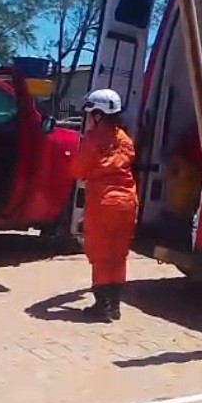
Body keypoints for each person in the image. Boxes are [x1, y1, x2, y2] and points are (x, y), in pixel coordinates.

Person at [71, 88, 138, 322]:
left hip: (103, 203)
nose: (88, 119)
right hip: (127, 203)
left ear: (98, 115)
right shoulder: (125, 139)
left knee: (100, 254)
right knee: (118, 254)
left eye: (90, 114)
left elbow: (78, 170)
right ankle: (115, 305)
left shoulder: (91, 140)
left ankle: (102, 306)